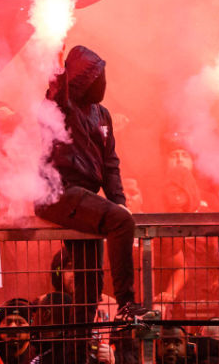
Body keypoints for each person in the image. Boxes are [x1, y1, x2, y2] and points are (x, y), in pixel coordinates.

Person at [34, 46, 151, 324]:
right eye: (95, 75)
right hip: (57, 193)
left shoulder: (103, 115)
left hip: (85, 198)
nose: (101, 82)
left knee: (89, 285)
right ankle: (126, 304)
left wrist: (119, 201)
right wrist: (56, 65)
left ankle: (79, 348)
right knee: (120, 222)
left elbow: (110, 163)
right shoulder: (61, 106)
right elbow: (56, 93)